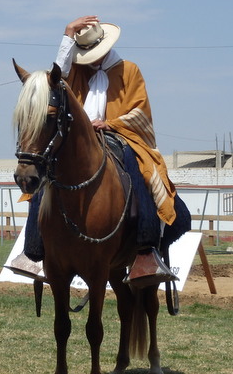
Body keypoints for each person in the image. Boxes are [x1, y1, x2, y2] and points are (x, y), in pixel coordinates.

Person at [53, 16, 191, 287]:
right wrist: (68, 34)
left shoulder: (129, 70)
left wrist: (110, 123)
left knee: (141, 174)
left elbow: (140, 110)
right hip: (80, 141)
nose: (91, 60)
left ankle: (146, 250)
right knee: (47, 173)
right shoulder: (77, 72)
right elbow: (54, 81)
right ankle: (35, 250)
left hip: (120, 135)